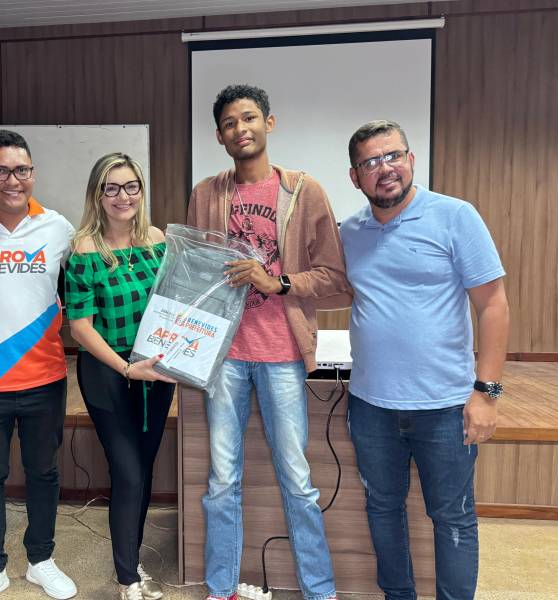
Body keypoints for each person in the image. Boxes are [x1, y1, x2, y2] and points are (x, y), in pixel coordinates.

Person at [186, 84, 350, 600]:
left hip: (282, 355)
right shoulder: (206, 194)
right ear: (219, 136)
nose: (241, 129)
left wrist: (276, 282)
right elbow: (193, 272)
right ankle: (220, 589)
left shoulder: (304, 190)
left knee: (298, 481)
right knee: (221, 482)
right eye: (230, 123)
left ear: (269, 123)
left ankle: (319, 591)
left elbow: (334, 277)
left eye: (249, 118)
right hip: (224, 357)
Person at [341, 120, 510, 600]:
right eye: (370, 162)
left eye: (393, 155)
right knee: (382, 509)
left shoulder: (455, 216)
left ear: (411, 160)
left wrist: (486, 394)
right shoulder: (350, 231)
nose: (385, 169)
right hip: (371, 405)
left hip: (445, 406)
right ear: (355, 177)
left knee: (453, 517)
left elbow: (493, 305)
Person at [0, 130, 77, 600]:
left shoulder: (58, 228)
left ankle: (41, 561)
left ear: (33, 173)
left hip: (45, 377)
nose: (12, 180)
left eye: (21, 169)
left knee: (44, 473)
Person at [65, 153, 177, 600]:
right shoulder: (83, 250)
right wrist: (127, 367)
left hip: (154, 372)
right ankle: (127, 578)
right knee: (128, 472)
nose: (122, 196)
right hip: (108, 373)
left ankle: (131, 560)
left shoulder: (157, 240)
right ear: (97, 195)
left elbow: (172, 304)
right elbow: (80, 327)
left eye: (131, 186)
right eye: (110, 188)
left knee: (143, 468)